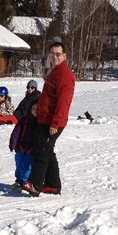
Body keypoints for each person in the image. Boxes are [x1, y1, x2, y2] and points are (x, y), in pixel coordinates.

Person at [20, 37, 75, 197]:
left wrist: (56, 123)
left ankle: (35, 185)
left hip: (53, 121)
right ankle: (53, 185)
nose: (55, 57)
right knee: (47, 150)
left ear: (64, 56)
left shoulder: (64, 74)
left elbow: (64, 102)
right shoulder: (53, 72)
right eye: (52, 54)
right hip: (44, 118)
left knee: (42, 151)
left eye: (58, 54)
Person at [9, 94, 39, 189]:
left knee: (27, 165)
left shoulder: (39, 122)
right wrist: (12, 144)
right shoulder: (24, 120)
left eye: (37, 110)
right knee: (19, 163)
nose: (35, 111)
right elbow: (16, 132)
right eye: (33, 108)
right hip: (21, 147)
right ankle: (18, 180)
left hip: (31, 149)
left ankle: (25, 181)